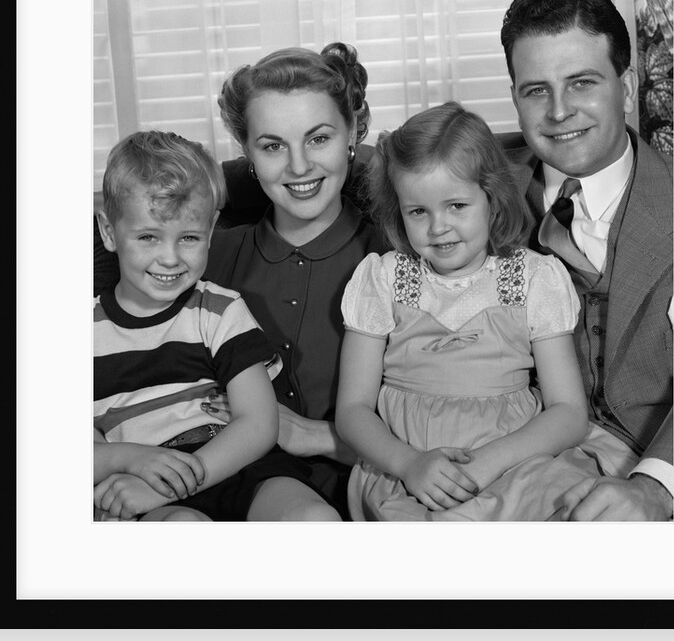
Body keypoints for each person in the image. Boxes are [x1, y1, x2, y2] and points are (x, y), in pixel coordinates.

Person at [335, 103, 640, 521]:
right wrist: (406, 463)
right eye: (418, 211)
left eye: (456, 205)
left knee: (575, 511)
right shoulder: (382, 279)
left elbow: (568, 412)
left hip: (516, 459)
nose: (438, 226)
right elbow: (351, 411)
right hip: (411, 467)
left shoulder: (534, 277)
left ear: (492, 200)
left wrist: (490, 462)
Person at [500, 0, 674, 521]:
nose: (558, 111)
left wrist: (656, 487)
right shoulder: (478, 195)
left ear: (625, 88)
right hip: (535, 466)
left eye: (581, 83)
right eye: (535, 91)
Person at [200, 42, 389, 521]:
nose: (299, 166)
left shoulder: (399, 259)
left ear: (353, 134)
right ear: (247, 152)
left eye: (319, 138)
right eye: (272, 146)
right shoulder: (201, 259)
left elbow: (456, 423)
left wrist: (316, 436)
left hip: (379, 498)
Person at [93, 130, 280, 521]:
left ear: (211, 230)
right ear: (109, 232)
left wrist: (182, 481)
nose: (170, 258)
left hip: (231, 464)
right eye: (148, 237)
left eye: (189, 237)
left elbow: (259, 423)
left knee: (314, 520)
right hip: (140, 483)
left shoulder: (220, 311)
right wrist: (134, 462)